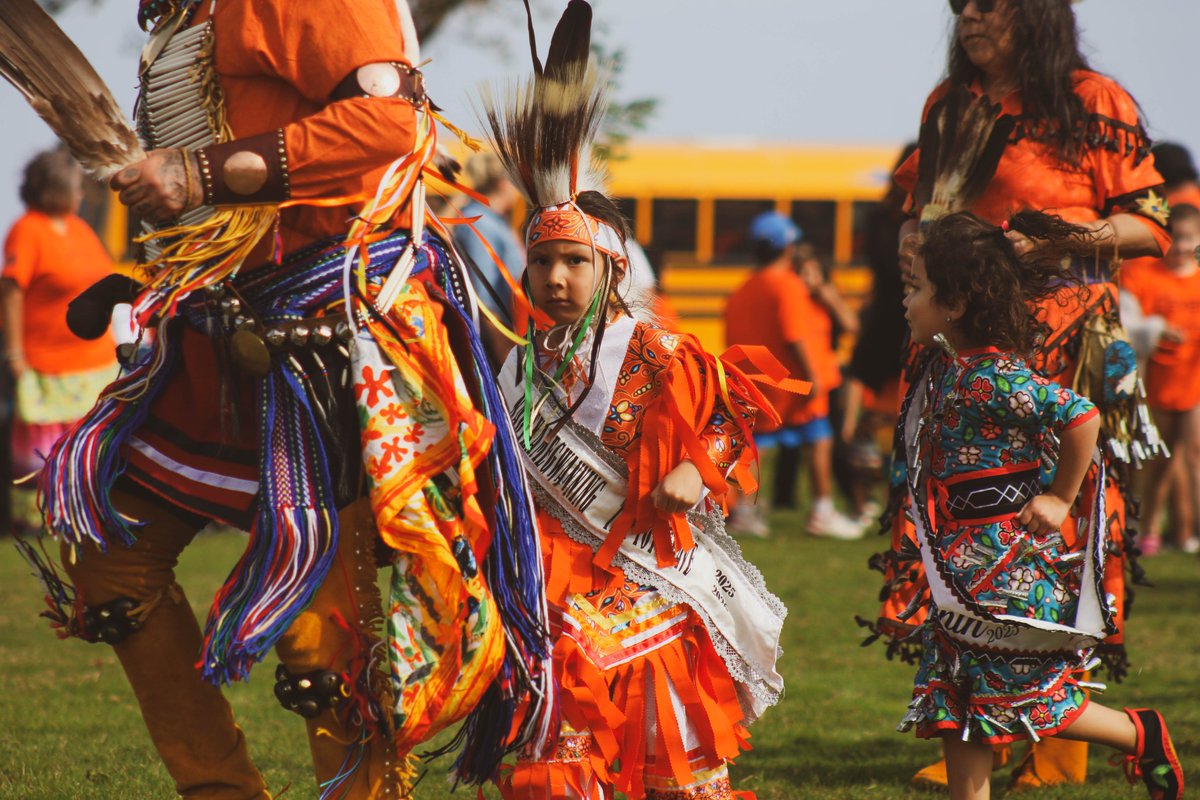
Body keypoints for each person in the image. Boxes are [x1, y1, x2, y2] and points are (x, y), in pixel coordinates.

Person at [19, 1, 549, 797]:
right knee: (113, 574)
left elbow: (391, 127)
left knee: (322, 641)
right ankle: (221, 790)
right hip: (218, 326)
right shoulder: (194, 11)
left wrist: (199, 173)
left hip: (328, 337)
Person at [480, 6, 790, 795]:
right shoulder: (525, 362)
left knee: (663, 741)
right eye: (543, 260)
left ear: (611, 268)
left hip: (645, 571)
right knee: (557, 698)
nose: (554, 278)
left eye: (573, 262)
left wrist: (696, 468)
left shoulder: (654, 351)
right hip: (555, 574)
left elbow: (729, 415)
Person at [869, 0, 1172, 789]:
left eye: (991, 6)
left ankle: (1060, 739)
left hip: (1061, 345)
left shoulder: (1092, 102)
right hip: (956, 338)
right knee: (961, 518)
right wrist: (913, 245)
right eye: (962, 6)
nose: (971, 17)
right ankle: (979, 725)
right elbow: (918, 207)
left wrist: (1059, 237)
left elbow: (1149, 225)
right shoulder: (950, 105)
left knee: (1057, 527)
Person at [897, 210, 1184, 800]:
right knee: (960, 692)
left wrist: (1059, 497)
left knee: (1022, 693)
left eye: (916, 289)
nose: (907, 302)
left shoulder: (996, 377)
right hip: (964, 564)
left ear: (953, 302)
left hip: (1008, 566)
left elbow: (1081, 416)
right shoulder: (950, 369)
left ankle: (1139, 734)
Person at [725, 211, 863, 540]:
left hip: (759, 386)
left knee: (757, 447)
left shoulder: (743, 288)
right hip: (794, 385)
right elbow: (795, 335)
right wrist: (812, 377)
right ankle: (822, 511)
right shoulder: (787, 285)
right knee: (819, 439)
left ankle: (744, 512)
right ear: (787, 247)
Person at [2, 149, 118, 535]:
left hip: (94, 360)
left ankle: (87, 511)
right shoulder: (28, 230)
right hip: (46, 362)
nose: (82, 195)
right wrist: (15, 352)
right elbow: (12, 289)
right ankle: (41, 518)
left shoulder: (80, 228)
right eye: (76, 188)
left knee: (89, 442)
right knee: (42, 447)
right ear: (55, 189)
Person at [1123, 203, 1200, 554]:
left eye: (1189, 239)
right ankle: (1151, 525)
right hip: (1158, 379)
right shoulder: (1144, 275)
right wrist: (1158, 331)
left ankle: (1190, 530)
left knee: (1195, 451)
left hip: (1194, 379)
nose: (1181, 247)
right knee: (1162, 460)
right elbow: (1130, 323)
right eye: (1176, 238)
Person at [452, 150, 525, 322]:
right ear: (503, 183)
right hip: (495, 335)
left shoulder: (494, 221)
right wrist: (503, 347)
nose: (519, 191)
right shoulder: (478, 222)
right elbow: (484, 297)